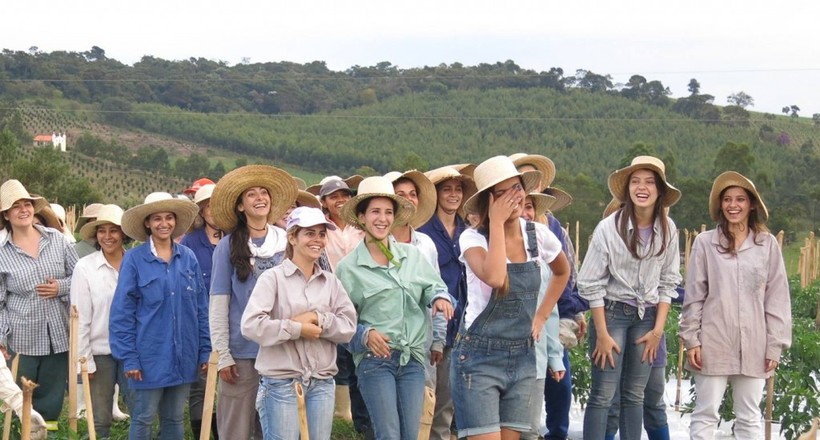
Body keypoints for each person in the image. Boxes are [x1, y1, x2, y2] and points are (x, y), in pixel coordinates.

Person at [452, 155, 570, 440]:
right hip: (478, 357)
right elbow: (495, 278)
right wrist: (495, 223)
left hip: (523, 355)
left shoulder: (539, 235)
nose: (513, 198)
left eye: (516, 189)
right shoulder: (472, 239)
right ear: (488, 201)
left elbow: (562, 272)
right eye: (501, 193)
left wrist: (541, 316)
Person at [335, 176, 455, 440]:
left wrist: (440, 299)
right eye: (375, 211)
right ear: (361, 216)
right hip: (374, 361)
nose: (383, 218)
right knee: (388, 434)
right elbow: (340, 324)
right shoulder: (347, 268)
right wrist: (364, 335)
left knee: (410, 435)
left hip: (412, 360)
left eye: (389, 212)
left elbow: (435, 287)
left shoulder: (411, 256)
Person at [680, 171, 791, 440]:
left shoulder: (767, 245)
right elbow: (694, 295)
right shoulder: (706, 243)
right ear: (720, 205)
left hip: (755, 343)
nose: (733, 205)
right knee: (706, 414)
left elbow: (777, 298)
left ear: (751, 204)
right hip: (713, 340)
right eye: (727, 199)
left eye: (740, 199)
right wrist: (692, 340)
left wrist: (774, 344)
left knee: (749, 418)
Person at [578, 156, 682, 440]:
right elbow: (590, 282)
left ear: (660, 190)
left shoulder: (669, 229)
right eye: (636, 181)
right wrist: (601, 332)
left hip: (647, 317)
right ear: (627, 189)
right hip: (611, 314)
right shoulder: (608, 229)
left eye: (649, 182)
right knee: (603, 393)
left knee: (635, 395)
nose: (642, 187)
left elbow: (668, 283)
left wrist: (658, 331)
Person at [241, 206, 357, 440]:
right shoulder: (272, 278)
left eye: (321, 234)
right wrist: (296, 328)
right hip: (281, 383)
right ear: (292, 237)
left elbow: (348, 327)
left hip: (322, 382)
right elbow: (251, 325)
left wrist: (318, 319)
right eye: (309, 233)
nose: (317, 240)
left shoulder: (331, 282)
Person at [109, 192, 210, 440]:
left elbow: (201, 308)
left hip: (184, 354)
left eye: (169, 218)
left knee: (175, 418)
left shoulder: (188, 257)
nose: (164, 224)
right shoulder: (134, 259)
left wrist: (205, 350)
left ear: (175, 222)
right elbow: (122, 313)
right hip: (148, 355)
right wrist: (129, 358)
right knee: (143, 418)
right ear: (147, 223)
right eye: (157, 219)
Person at [209, 164, 298, 440]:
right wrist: (223, 354)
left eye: (264, 193)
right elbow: (219, 302)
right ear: (240, 206)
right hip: (242, 351)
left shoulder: (287, 242)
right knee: (236, 427)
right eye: (251, 195)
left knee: (276, 426)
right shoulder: (228, 246)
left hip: (282, 348)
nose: (260, 198)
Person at [0, 179, 78, 431]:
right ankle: (21, 433)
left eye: (27, 204)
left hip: (58, 332)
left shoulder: (57, 239)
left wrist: (60, 288)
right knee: (21, 395)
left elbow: (79, 276)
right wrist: (1, 339)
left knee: (53, 397)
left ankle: (50, 434)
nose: (24, 210)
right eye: (16, 207)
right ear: (6, 214)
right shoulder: (2, 251)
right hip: (21, 337)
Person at [417, 165, 477, 440]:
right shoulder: (424, 232)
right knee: (433, 399)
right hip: (435, 324)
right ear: (436, 194)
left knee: (453, 403)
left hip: (466, 325)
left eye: (458, 189)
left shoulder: (470, 232)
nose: (453, 194)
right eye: (447, 189)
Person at [70, 204, 132, 438]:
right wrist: (84, 360)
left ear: (123, 233)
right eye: (102, 231)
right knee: (99, 418)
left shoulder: (135, 264)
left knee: (141, 410)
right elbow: (80, 316)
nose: (108, 236)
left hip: (131, 350)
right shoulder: (85, 267)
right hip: (99, 351)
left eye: (113, 230)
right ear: (95, 235)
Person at [518, 191, 566, 440]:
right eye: (519, 205)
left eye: (529, 207)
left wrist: (555, 356)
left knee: (529, 430)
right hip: (498, 355)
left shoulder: (541, 255)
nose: (525, 213)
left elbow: (550, 312)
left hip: (534, 355)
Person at [179, 183, 220, 440]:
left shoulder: (237, 237)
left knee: (232, 379)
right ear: (201, 212)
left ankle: (228, 428)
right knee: (201, 382)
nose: (213, 211)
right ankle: (202, 431)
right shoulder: (191, 243)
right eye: (208, 207)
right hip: (200, 321)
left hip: (233, 321)